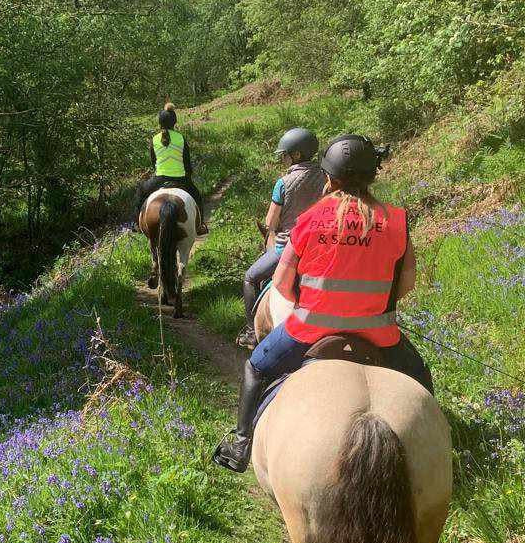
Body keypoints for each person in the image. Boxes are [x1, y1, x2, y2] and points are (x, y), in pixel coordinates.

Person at [214, 134, 432, 472]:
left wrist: (316, 302)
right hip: (379, 334)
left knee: (255, 368)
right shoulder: (397, 221)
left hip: (310, 330)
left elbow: (284, 286)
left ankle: (241, 443)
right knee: (420, 377)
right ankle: (439, 450)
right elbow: (406, 284)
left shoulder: (309, 220)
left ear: (328, 177)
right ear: (372, 176)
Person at [238, 127, 324, 346]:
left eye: (285, 154)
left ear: (296, 155)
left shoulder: (283, 183)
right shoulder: (327, 178)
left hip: (287, 248)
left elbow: (270, 223)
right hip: (321, 248)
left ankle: (250, 331)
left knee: (250, 278)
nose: (283, 158)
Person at [133, 104, 208, 232]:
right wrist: (188, 176)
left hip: (160, 178)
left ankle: (136, 224)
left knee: (140, 192)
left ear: (160, 122)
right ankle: (200, 226)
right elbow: (187, 162)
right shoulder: (181, 138)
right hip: (180, 178)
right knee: (197, 195)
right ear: (174, 122)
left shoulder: (154, 139)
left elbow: (154, 162)